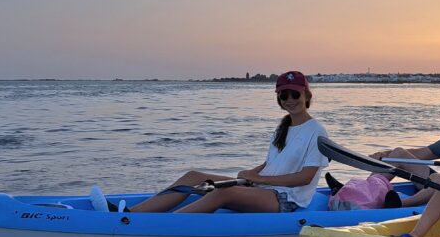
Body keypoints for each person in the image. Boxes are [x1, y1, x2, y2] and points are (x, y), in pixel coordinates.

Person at [125, 71, 329, 214]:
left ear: (307, 95)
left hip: (287, 199)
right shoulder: (283, 127)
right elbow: (272, 164)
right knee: (194, 176)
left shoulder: (316, 131)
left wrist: (261, 180)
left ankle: (162, 226)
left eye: (295, 94)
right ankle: (129, 214)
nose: (289, 99)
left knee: (224, 192)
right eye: (284, 95)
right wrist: (251, 174)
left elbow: (305, 177)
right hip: (263, 188)